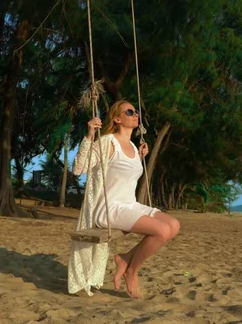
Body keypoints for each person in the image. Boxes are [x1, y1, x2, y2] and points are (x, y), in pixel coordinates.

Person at [68, 100, 180, 298]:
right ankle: (131, 271)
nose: (135, 114)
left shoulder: (133, 146)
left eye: (136, 111)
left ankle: (125, 258)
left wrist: (140, 157)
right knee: (161, 231)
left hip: (130, 205)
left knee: (173, 225)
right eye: (129, 111)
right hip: (111, 209)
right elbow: (78, 169)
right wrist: (90, 135)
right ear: (117, 119)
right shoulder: (107, 142)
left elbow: (123, 175)